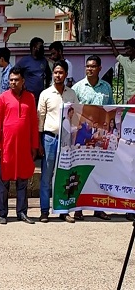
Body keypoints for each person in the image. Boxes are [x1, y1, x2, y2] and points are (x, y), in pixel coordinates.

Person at [0, 66, 39, 224]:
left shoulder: (30, 98)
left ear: (23, 81)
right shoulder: (3, 98)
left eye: (16, 80)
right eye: (11, 80)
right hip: (7, 146)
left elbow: (34, 122)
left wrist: (35, 146)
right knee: (3, 181)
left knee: (22, 181)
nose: (13, 82)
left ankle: (21, 212)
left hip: (24, 147)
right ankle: (2, 213)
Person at [72, 55, 113, 221]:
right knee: (81, 170)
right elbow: (73, 113)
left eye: (93, 66)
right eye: (87, 66)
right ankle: (78, 208)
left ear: (99, 68)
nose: (89, 69)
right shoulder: (78, 88)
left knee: (100, 171)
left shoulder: (107, 88)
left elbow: (110, 110)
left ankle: (99, 208)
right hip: (83, 136)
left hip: (100, 136)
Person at [37, 60, 78, 223]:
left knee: (64, 175)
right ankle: (44, 211)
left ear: (66, 74)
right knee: (46, 175)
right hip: (49, 138)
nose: (58, 75)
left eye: (61, 72)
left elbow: (75, 116)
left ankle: (62, 210)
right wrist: (39, 142)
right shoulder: (45, 94)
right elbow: (40, 118)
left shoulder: (72, 94)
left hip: (66, 140)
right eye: (55, 72)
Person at [16, 37, 51, 107]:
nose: (42, 49)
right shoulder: (25, 61)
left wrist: (46, 88)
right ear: (34, 48)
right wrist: (21, 86)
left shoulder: (44, 61)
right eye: (40, 47)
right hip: (28, 96)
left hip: (41, 97)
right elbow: (15, 73)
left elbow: (48, 75)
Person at [107, 36, 135, 102]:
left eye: (128, 48)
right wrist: (111, 43)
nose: (126, 51)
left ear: (134, 48)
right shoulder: (125, 61)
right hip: (127, 97)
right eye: (125, 49)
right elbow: (117, 55)